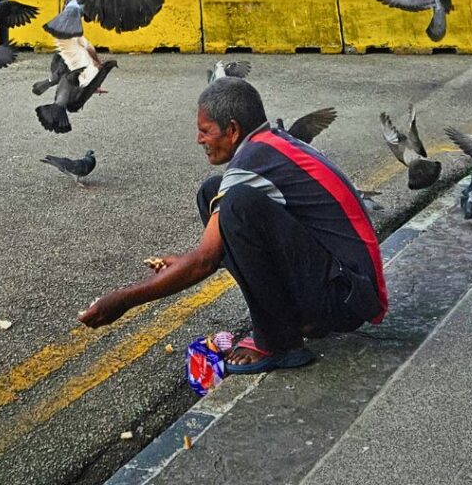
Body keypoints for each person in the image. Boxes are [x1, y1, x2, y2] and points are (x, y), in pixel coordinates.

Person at [78, 78, 388, 373]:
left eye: (205, 130)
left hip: (346, 300)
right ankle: (301, 319)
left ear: (233, 129)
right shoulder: (271, 144)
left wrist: (125, 299)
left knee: (237, 203)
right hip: (346, 289)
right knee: (213, 193)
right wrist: (184, 262)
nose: (199, 139)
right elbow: (213, 250)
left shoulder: (250, 162)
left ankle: (279, 343)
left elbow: (205, 260)